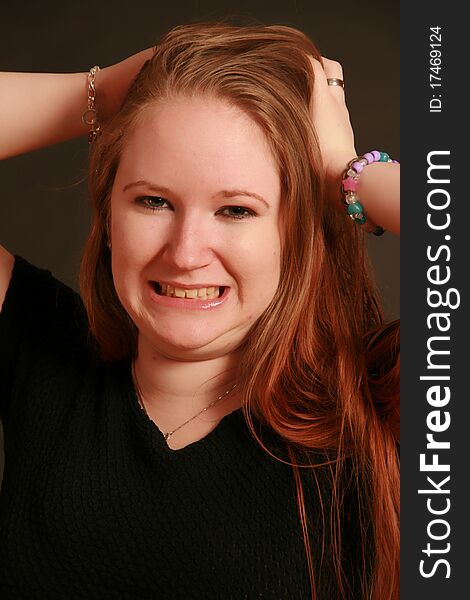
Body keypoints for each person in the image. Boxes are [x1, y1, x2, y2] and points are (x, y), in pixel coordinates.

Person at [0, 21, 399, 600]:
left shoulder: (376, 403)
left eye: (236, 210)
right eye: (153, 201)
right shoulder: (43, 350)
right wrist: (102, 95)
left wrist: (343, 171)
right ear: (108, 214)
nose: (185, 253)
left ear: (297, 232)